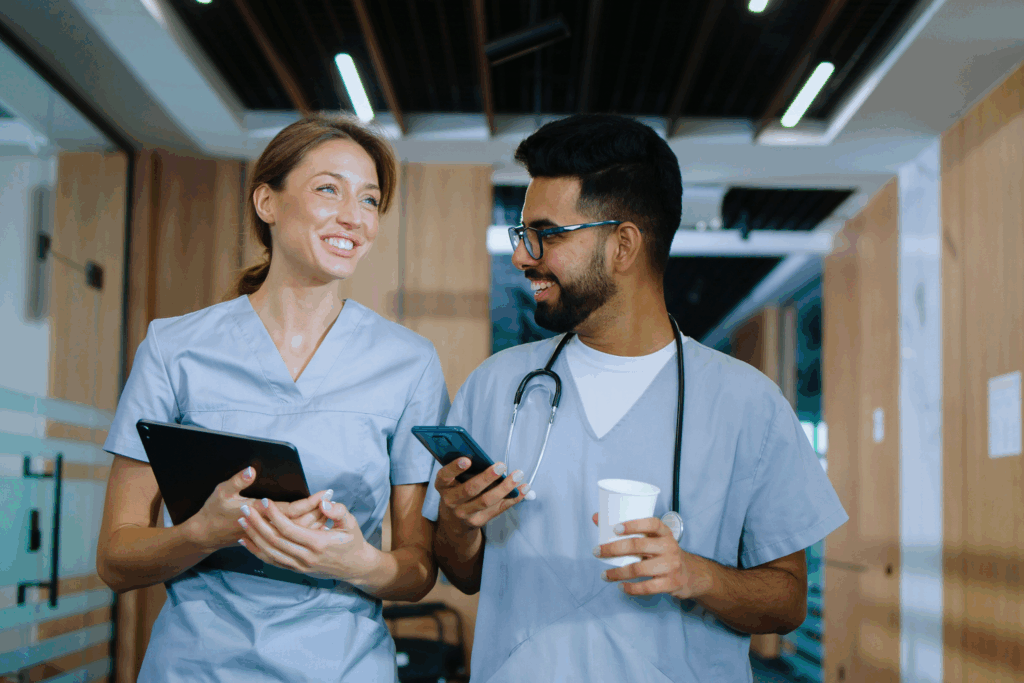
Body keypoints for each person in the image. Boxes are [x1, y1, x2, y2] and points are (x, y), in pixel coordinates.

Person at [423, 114, 847, 682]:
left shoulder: (748, 404)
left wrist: (697, 575)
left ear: (623, 244)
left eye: (545, 235)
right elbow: (464, 573)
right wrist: (458, 521)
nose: (524, 256)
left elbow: (788, 601)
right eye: (522, 235)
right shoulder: (498, 388)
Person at [97, 115, 449, 682]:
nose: (352, 218)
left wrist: (363, 564)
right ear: (267, 201)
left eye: (369, 199)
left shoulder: (409, 363)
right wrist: (200, 533)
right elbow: (115, 560)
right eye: (327, 189)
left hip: (344, 666)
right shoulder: (174, 348)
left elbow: (417, 569)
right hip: (197, 667)